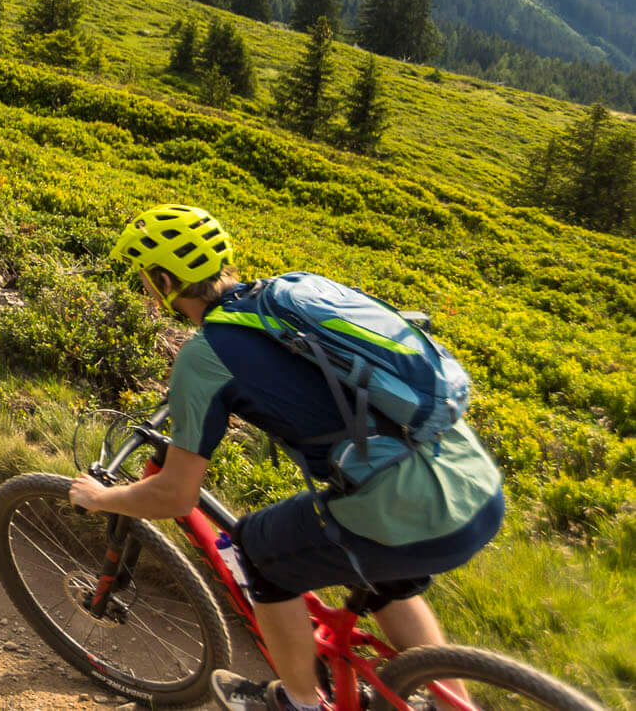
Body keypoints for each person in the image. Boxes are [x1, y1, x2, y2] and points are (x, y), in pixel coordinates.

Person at [69, 205, 505, 711]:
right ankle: (452, 703)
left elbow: (175, 494)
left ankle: (298, 701)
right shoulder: (289, 297)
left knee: (259, 550)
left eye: (146, 277)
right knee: (388, 578)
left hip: (406, 509)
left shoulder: (205, 355)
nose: (144, 286)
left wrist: (103, 497)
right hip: (471, 482)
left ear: (165, 279)